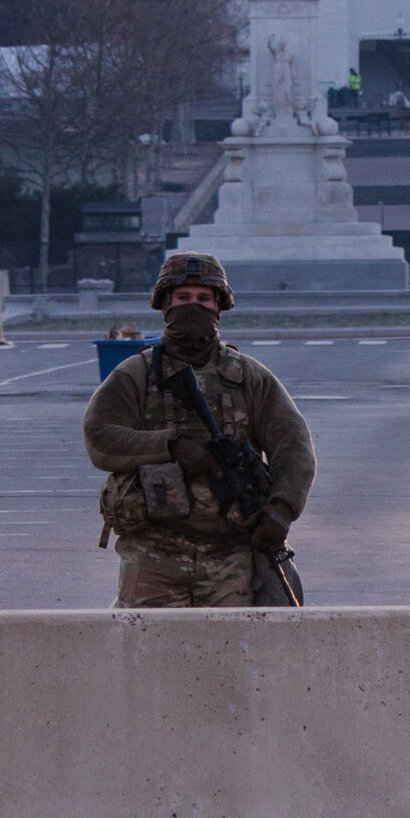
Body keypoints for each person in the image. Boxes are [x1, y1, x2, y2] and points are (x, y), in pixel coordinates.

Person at [82, 250, 314, 606]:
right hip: (153, 552)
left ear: (219, 307)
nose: (194, 306)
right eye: (183, 298)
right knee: (147, 653)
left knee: (231, 654)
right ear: (165, 307)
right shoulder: (136, 374)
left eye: (204, 299)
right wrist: (172, 446)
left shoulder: (249, 376)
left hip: (232, 554)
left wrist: (281, 510)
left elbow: (293, 445)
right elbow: (100, 436)